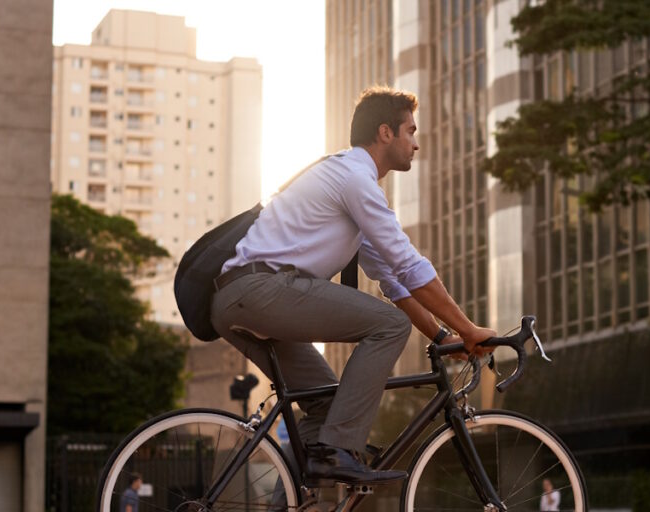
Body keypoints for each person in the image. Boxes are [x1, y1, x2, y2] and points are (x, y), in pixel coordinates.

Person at [210, 86, 496, 485]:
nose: (416, 143)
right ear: (385, 133)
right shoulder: (354, 178)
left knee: (327, 405)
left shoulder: (347, 184)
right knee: (389, 326)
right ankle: (338, 449)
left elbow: (396, 284)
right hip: (260, 291)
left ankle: (305, 489)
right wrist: (469, 329)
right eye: (410, 131)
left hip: (240, 299)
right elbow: (410, 265)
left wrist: (444, 339)